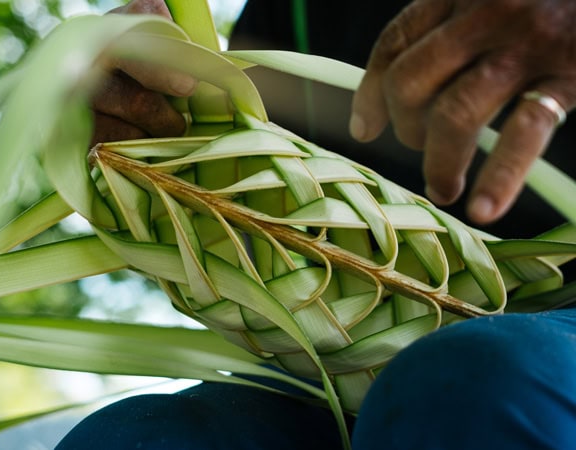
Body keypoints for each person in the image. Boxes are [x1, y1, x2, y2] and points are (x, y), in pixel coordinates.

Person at [57, 1, 576, 448]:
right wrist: (146, 130)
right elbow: (253, 195)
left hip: (534, 324)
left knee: (473, 384)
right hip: (347, 347)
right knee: (134, 439)